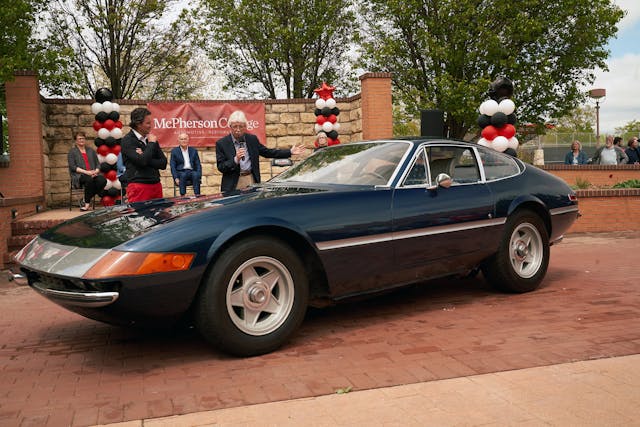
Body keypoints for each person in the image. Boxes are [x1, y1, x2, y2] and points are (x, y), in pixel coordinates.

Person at [216, 110, 305, 193]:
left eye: (241, 126)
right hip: (232, 183)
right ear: (230, 126)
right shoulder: (222, 143)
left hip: (250, 179)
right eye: (235, 126)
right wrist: (235, 159)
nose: (238, 130)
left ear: (246, 126)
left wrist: (289, 152)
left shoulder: (252, 139)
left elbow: (268, 152)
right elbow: (221, 167)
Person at [121, 107, 168, 202]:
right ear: (138, 124)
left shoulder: (151, 139)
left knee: (159, 216)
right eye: (148, 123)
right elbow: (142, 162)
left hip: (156, 184)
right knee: (140, 217)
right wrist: (150, 145)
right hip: (139, 186)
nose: (151, 126)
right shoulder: (128, 140)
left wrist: (144, 155)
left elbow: (163, 163)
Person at [68, 131, 107, 211]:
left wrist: (96, 171)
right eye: (80, 138)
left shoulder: (91, 151)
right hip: (80, 176)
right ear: (76, 140)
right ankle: (86, 204)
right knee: (89, 180)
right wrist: (87, 172)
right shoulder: (72, 152)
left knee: (102, 180)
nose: (82, 140)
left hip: (92, 174)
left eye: (83, 138)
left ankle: (85, 199)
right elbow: (73, 167)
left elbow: (98, 164)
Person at [170, 132, 202, 196]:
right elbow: (172, 166)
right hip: (181, 172)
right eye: (182, 139)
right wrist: (175, 178)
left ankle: (197, 195)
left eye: (185, 139)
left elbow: (198, 164)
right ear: (178, 140)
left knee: (195, 175)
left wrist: (199, 175)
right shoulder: (174, 151)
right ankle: (183, 196)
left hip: (191, 171)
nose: (183, 141)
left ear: (188, 140)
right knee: (183, 175)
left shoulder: (193, 150)